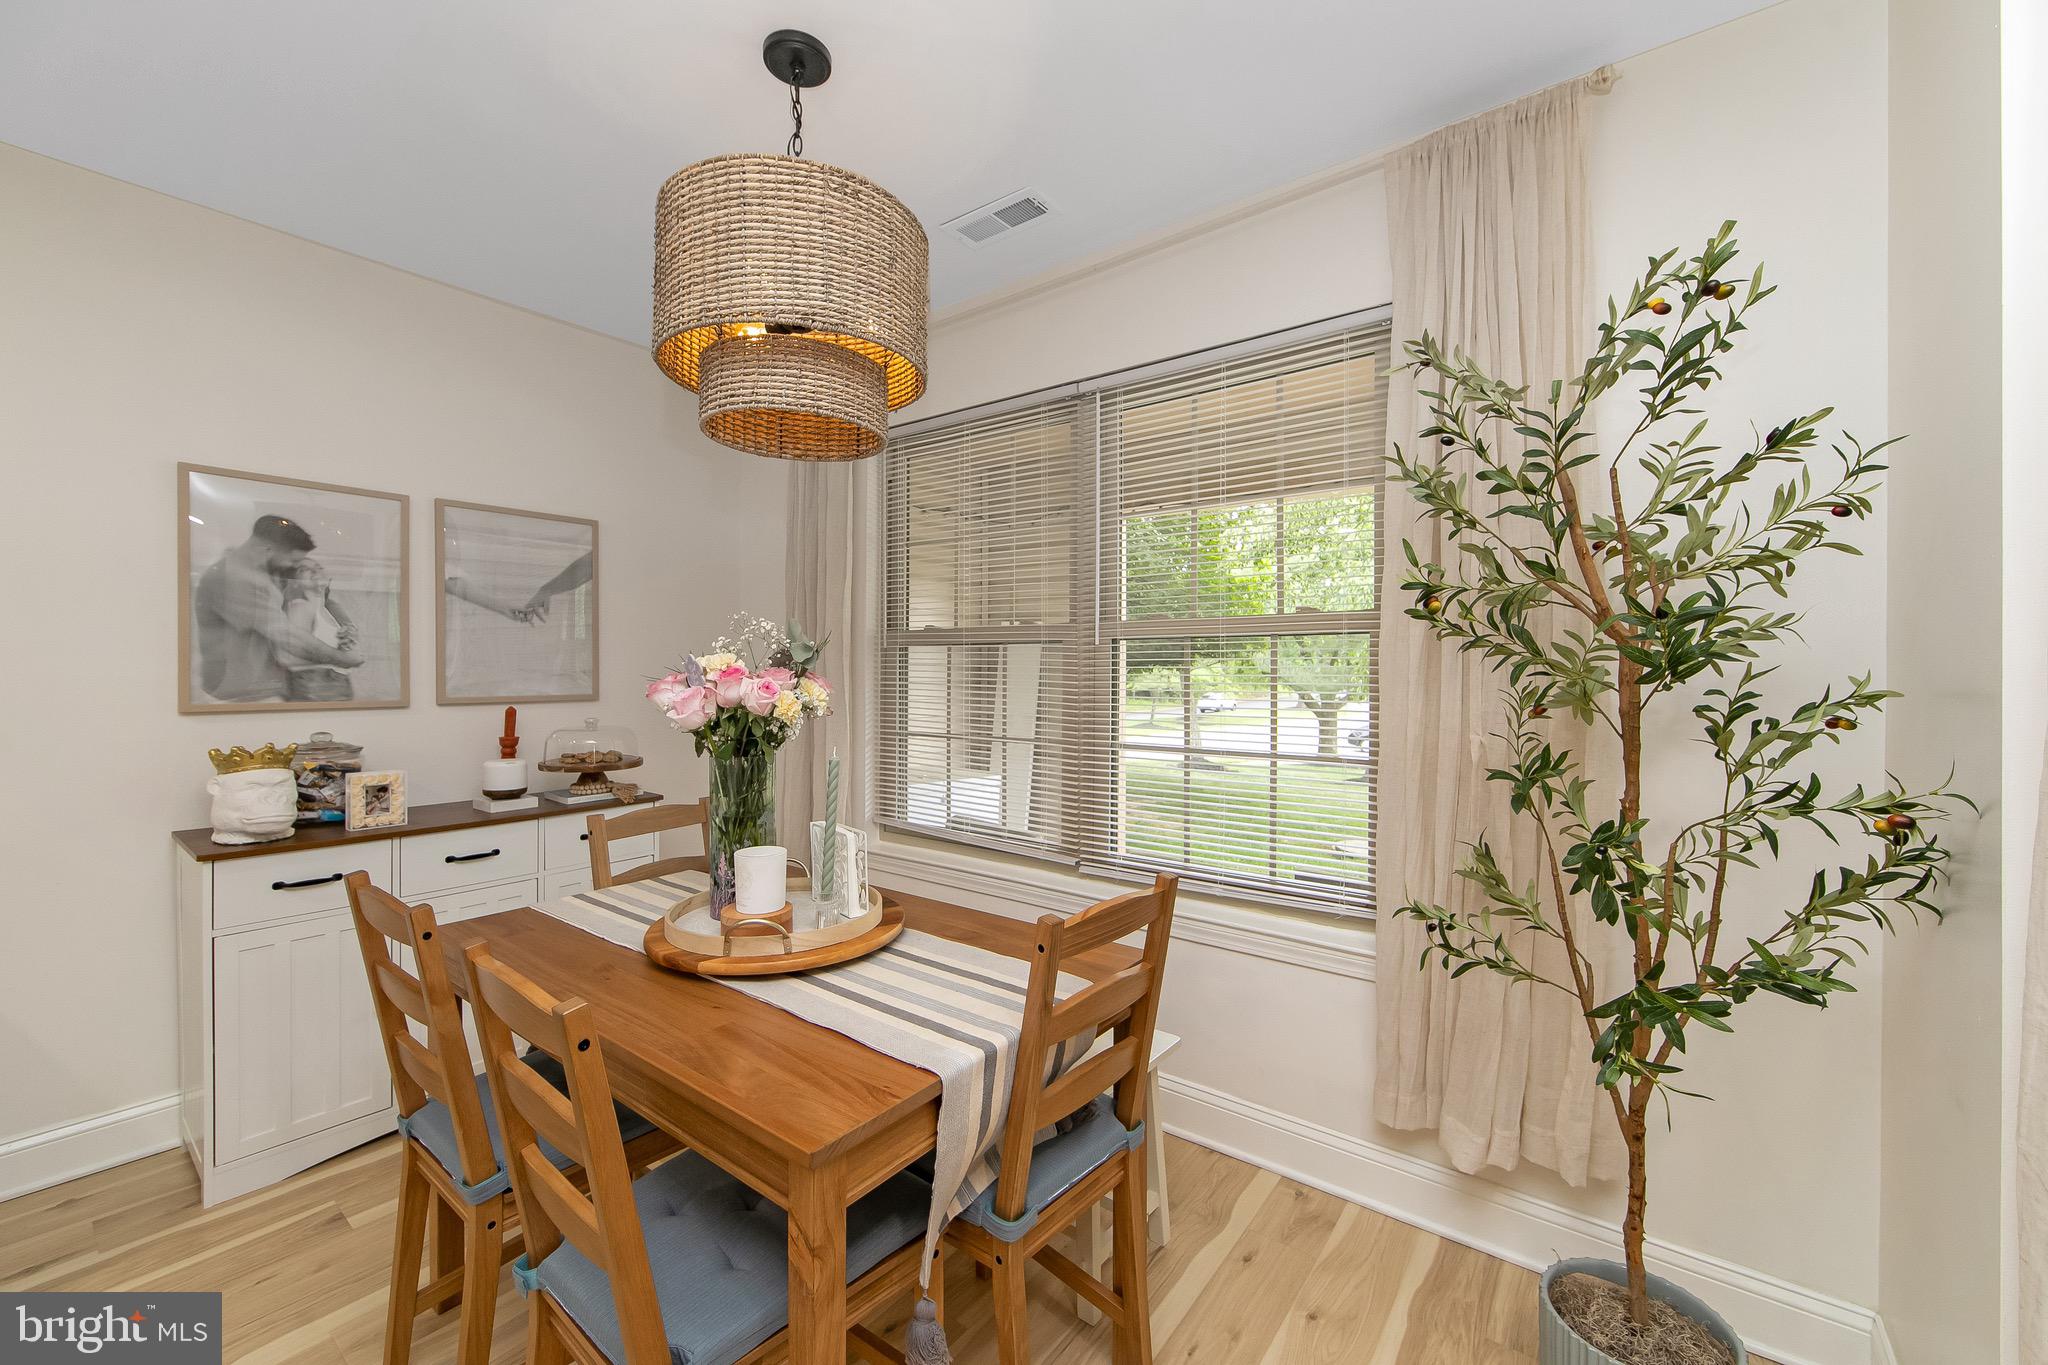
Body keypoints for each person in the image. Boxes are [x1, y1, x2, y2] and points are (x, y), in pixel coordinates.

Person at [192, 515, 362, 704]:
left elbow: (323, 595)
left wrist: (346, 625)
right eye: (294, 561)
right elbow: (289, 639)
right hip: (242, 697)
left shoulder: (264, 570)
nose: (295, 567)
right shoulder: (235, 579)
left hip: (265, 690)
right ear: (267, 549)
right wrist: (344, 660)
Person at [276, 557, 360, 702]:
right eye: (304, 569)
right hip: (315, 688)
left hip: (333, 687)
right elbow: (287, 658)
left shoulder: (324, 609)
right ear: (294, 581)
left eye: (318, 567)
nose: (315, 571)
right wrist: (341, 660)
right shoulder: (300, 607)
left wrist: (346, 646)